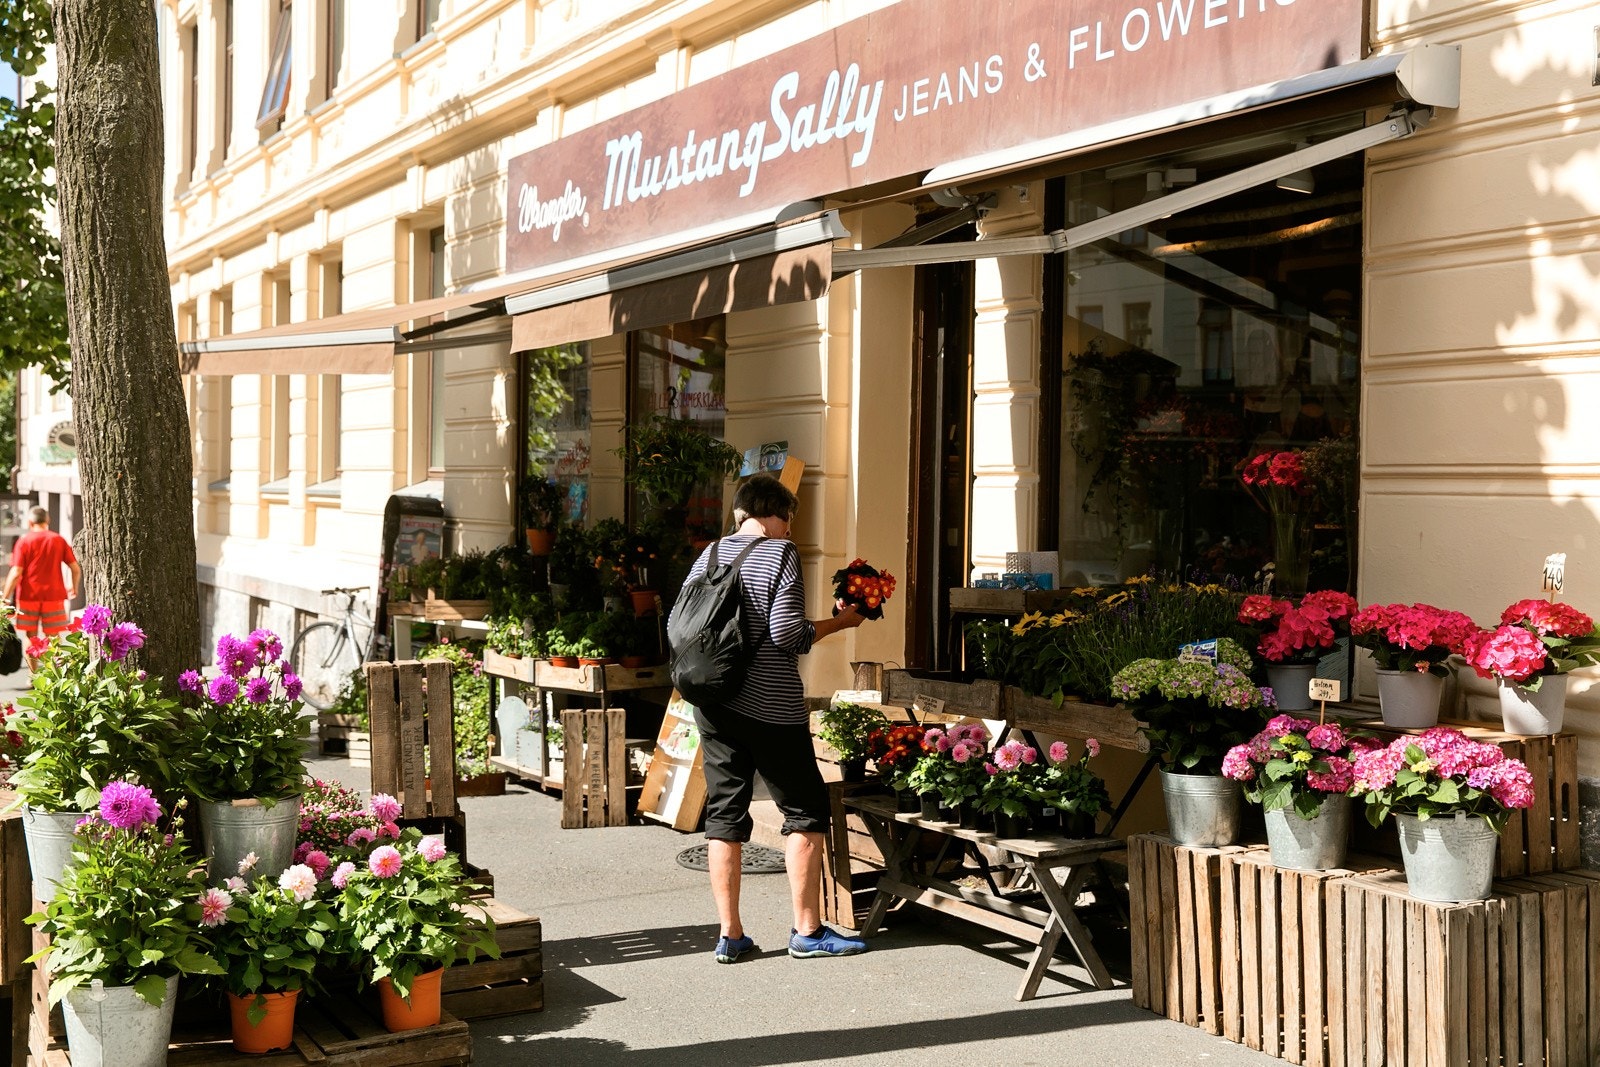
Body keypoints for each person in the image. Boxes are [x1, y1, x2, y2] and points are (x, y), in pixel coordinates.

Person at [670, 474, 868, 965]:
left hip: (713, 704)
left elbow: (679, 622)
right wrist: (841, 622)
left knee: (724, 814)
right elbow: (788, 636)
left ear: (739, 515)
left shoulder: (711, 554)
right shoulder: (780, 554)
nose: (789, 530)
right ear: (775, 514)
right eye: (789, 520)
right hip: (771, 707)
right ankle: (807, 930)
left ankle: (731, 936)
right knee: (804, 810)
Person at [2, 507, 82, 663]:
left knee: (31, 637)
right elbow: (75, 568)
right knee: (53, 638)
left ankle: (33, 678)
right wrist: (74, 586)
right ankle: (55, 679)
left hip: (28, 597)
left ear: (30, 522)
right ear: (47, 521)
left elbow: (16, 572)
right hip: (54, 596)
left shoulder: (24, 541)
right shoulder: (57, 539)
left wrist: (5, 598)